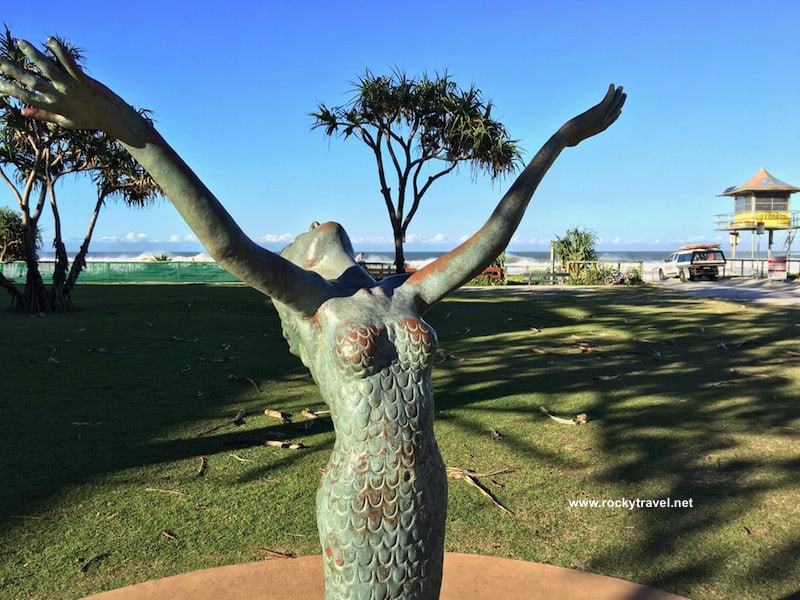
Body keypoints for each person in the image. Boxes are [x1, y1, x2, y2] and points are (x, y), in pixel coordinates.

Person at [0, 37, 624, 599]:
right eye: (298, 238)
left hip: (427, 487)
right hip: (360, 502)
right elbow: (226, 246)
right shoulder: (317, 305)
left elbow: (496, 232)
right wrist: (128, 128)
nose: (310, 226)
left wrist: (560, 140)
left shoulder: (404, 293)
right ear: (300, 265)